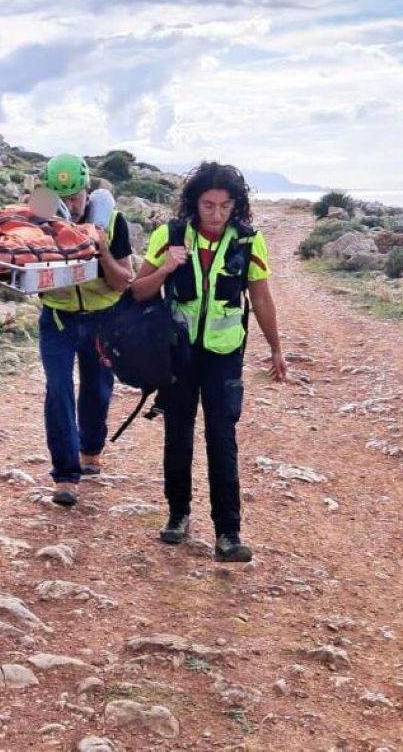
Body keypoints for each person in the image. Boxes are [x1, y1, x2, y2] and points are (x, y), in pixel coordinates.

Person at [129, 162, 287, 563]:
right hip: (178, 354)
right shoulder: (170, 236)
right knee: (178, 435)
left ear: (237, 206)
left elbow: (262, 299)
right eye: (208, 205)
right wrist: (166, 267)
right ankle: (178, 515)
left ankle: (228, 533)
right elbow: (139, 292)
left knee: (222, 439)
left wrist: (275, 347)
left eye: (224, 206)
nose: (216, 214)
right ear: (194, 203)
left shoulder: (250, 242)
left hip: (224, 356)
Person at [36, 154, 135, 507]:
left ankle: (91, 448)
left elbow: (124, 281)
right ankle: (65, 475)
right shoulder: (41, 223)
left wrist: (102, 250)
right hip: (58, 319)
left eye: (76, 195)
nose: (70, 204)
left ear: (87, 191)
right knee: (58, 390)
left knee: (97, 391)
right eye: (62, 196)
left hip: (101, 318)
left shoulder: (113, 222)